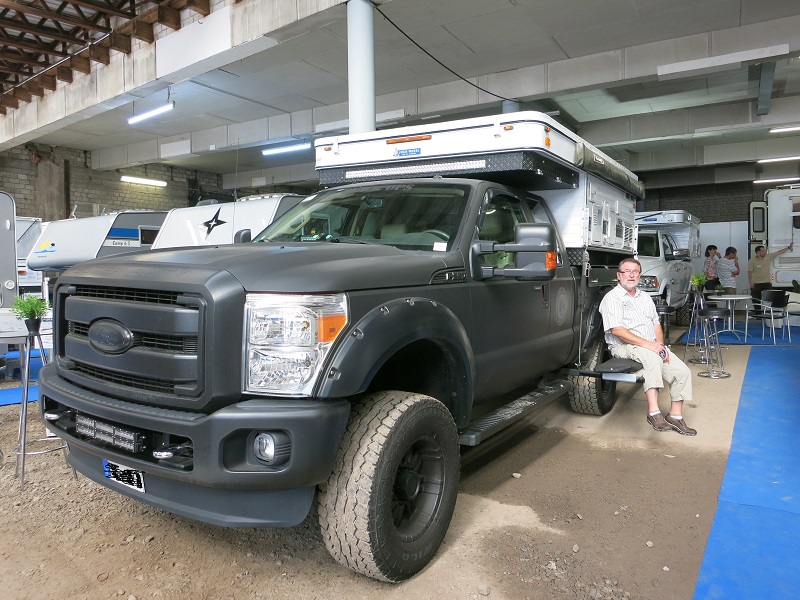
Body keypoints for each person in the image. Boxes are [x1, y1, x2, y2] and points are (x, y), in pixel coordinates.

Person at [599, 258, 696, 435]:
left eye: (635, 271)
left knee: (682, 372)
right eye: (627, 271)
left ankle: (675, 415)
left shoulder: (645, 297)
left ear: (639, 275)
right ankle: (653, 413)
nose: (631, 275)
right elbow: (617, 330)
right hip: (624, 346)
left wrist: (660, 346)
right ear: (619, 275)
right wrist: (651, 346)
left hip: (649, 345)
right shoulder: (612, 298)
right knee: (652, 359)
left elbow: (655, 323)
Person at [748, 242, 794, 312]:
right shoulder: (752, 260)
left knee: (770, 298)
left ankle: (769, 312)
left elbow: (778, 252)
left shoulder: (768, 256)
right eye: (763, 251)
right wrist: (751, 282)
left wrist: (788, 247)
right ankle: (758, 313)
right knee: (756, 299)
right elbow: (750, 272)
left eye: (765, 251)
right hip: (756, 283)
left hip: (766, 283)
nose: (765, 252)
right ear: (758, 252)